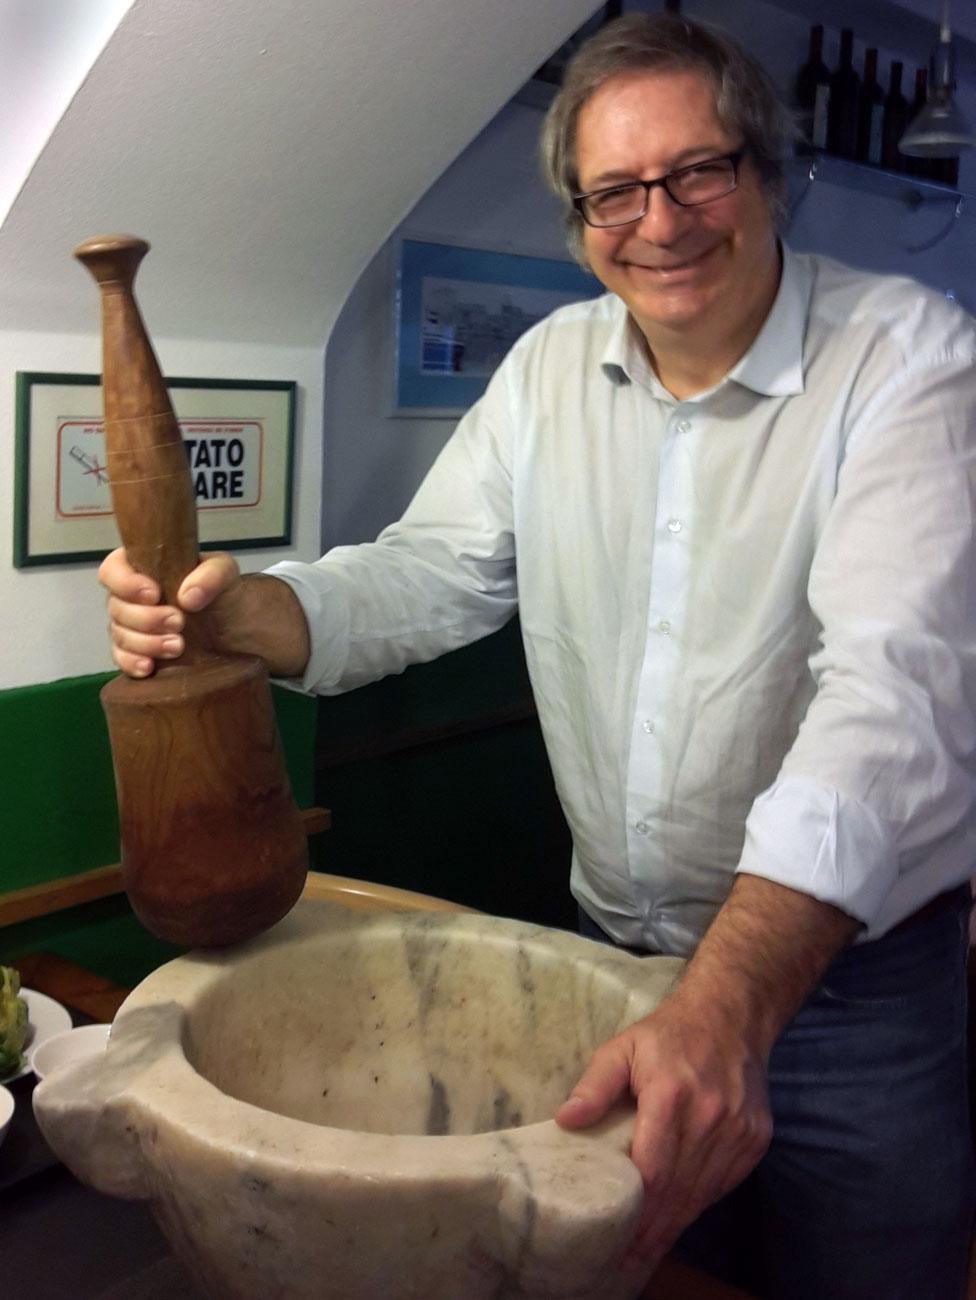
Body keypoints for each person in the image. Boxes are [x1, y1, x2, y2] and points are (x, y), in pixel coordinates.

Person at [99, 14, 976, 1299]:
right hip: (613, 960)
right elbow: (428, 573)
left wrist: (724, 1006)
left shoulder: (914, 360)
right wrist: (239, 614)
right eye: (614, 190)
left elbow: (887, 702)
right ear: (578, 219)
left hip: (856, 998)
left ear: (767, 169)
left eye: (697, 171)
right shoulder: (547, 368)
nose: (660, 221)